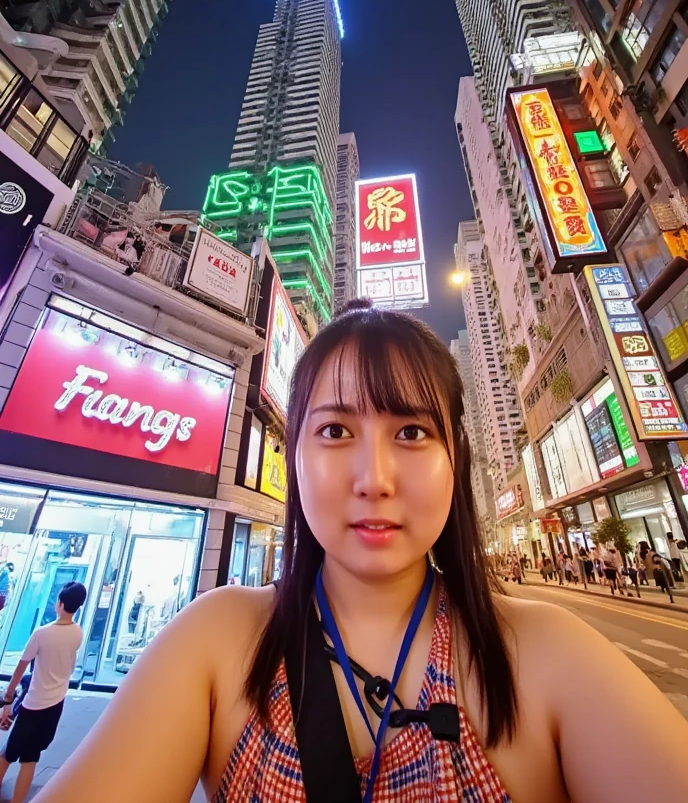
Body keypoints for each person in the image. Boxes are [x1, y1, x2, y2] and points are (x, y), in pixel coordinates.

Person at [27, 303, 688, 802]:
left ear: (454, 460)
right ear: (296, 456)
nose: (374, 477)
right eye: (337, 430)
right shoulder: (216, 641)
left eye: (410, 430)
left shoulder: (545, 654)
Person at [0, 581, 87, 803]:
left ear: (59, 603)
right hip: (55, 705)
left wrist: (7, 701)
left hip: (33, 704)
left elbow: (19, 670)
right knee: (31, 758)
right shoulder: (77, 633)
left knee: (7, 754)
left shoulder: (42, 634)